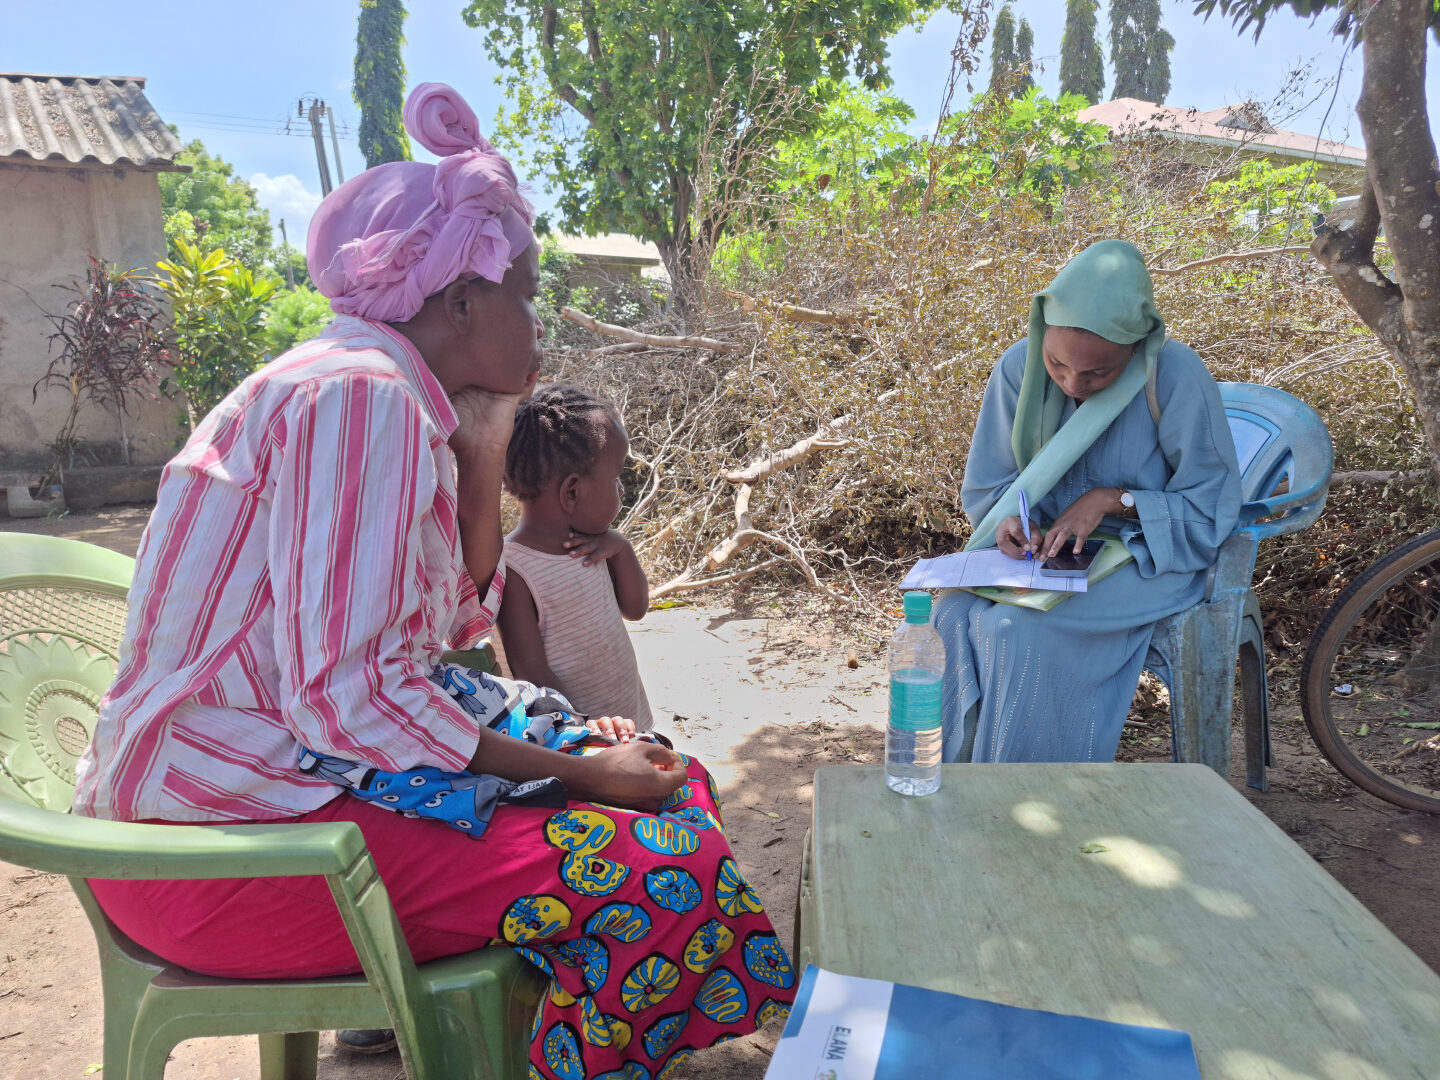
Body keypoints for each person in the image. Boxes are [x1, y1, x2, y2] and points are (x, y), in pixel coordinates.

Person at [71, 82, 794, 1080]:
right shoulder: (358, 398)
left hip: (279, 800)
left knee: (671, 785)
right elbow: (351, 699)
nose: (543, 322)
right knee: (663, 865)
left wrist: (487, 442)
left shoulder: (388, 394)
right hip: (223, 855)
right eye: (528, 293)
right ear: (460, 301)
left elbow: (444, 624)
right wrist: (581, 772)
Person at [933, 239, 1242, 764]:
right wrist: (1011, 521)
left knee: (1015, 628)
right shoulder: (1017, 367)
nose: (1074, 384)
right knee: (948, 614)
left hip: (1153, 557)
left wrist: (1114, 500)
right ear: (1041, 333)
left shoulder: (1173, 375)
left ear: (1137, 347)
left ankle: (1032, 801)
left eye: (1098, 374)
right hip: (1043, 556)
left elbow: (1211, 506)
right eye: (1057, 365)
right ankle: (953, 786)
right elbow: (990, 485)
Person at [497, 384, 654, 737]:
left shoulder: (597, 544)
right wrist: (584, 727)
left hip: (629, 716)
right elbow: (532, 674)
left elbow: (636, 608)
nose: (621, 489)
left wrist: (621, 548)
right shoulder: (514, 568)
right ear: (572, 492)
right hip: (580, 737)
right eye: (615, 477)